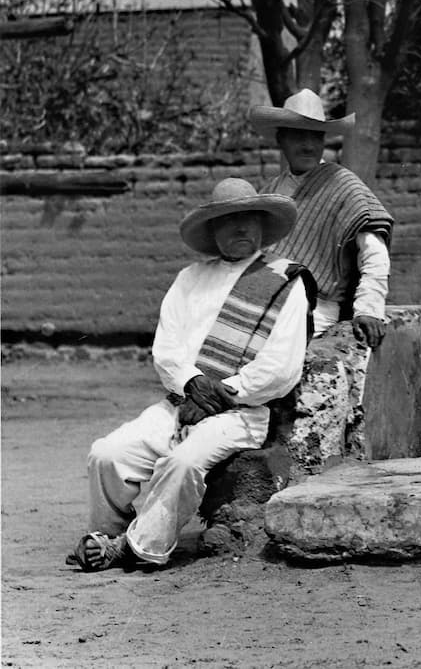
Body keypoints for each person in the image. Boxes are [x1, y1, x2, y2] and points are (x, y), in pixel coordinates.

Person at [67, 178, 314, 572]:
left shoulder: (286, 282)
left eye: (249, 219)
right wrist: (191, 385)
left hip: (243, 412)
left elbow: (280, 368)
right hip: (181, 402)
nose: (240, 228)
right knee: (107, 454)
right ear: (213, 230)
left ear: (262, 225)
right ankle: (110, 535)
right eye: (229, 220)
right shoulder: (189, 279)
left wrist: (220, 393)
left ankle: (138, 548)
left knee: (182, 462)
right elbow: (167, 349)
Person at [249, 89, 394, 345]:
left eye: (315, 136)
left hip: (315, 309)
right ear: (281, 139)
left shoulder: (344, 185)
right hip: (262, 304)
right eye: (297, 135)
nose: (308, 145)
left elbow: (375, 254)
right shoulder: (270, 192)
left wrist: (368, 309)